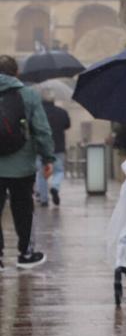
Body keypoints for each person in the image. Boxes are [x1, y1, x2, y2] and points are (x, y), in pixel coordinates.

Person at [0, 55, 55, 269]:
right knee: (23, 210)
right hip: (22, 165)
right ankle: (26, 254)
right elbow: (42, 130)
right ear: (16, 73)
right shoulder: (28, 95)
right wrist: (48, 157)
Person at [35, 88, 70, 207]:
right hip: (58, 147)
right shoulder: (62, 112)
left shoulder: (38, 113)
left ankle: (44, 200)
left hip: (41, 148)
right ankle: (55, 186)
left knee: (42, 174)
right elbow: (67, 125)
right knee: (59, 171)